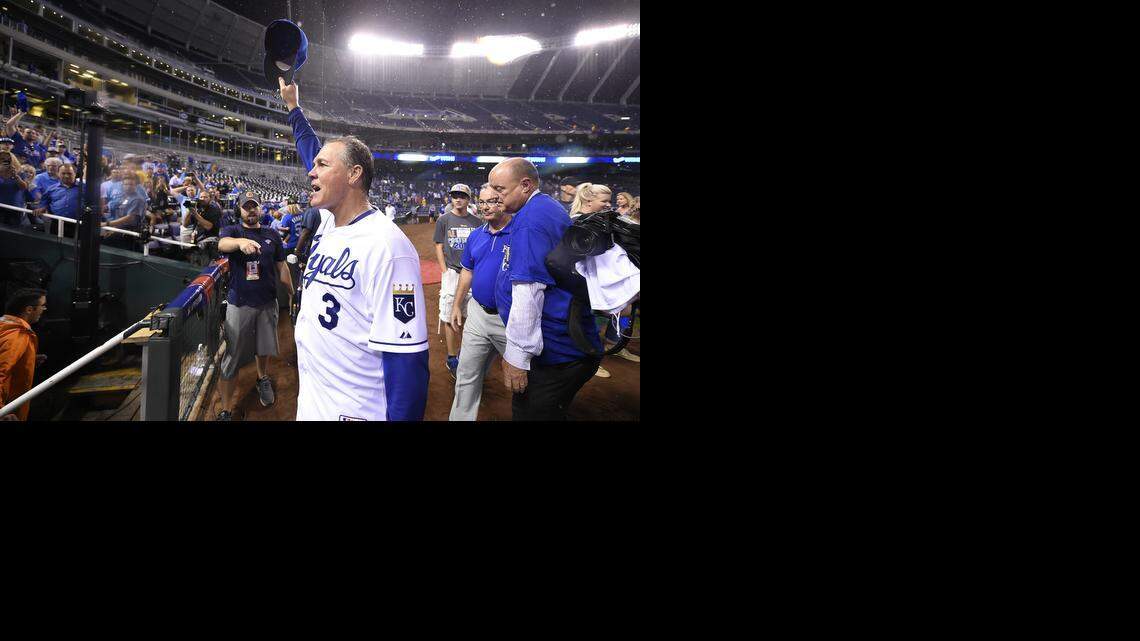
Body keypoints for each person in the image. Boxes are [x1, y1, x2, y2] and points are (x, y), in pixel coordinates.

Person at [280, 75, 428, 421]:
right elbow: (308, 149)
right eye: (313, 165)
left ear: (353, 175)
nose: (310, 172)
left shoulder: (388, 246)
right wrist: (293, 108)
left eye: (322, 165)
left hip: (357, 412)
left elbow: (407, 363)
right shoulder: (332, 221)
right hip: (316, 404)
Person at [488, 158, 601, 421]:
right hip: (567, 342)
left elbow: (529, 292)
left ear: (525, 185)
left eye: (500, 189)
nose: (494, 196)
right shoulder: (543, 206)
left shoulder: (531, 221)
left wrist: (517, 357)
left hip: (557, 351)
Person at [213, 194, 294, 420]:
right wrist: (240, 243)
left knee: (264, 347)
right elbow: (222, 244)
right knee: (233, 357)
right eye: (246, 207)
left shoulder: (271, 234)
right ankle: (226, 410)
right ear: (240, 210)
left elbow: (282, 266)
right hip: (240, 303)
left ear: (260, 209)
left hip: (268, 302)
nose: (250, 211)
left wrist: (292, 293)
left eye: (254, 207)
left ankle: (262, 378)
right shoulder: (233, 231)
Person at [447, 185, 513, 420]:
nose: (485, 206)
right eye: (482, 202)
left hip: (511, 321)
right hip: (477, 314)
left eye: (492, 201)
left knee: (524, 379)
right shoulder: (477, 234)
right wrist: (456, 305)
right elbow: (467, 272)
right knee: (466, 374)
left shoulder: (519, 233)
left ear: (504, 201)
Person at [433, 183, 480, 380]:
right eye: (455, 196)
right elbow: (439, 245)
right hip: (452, 272)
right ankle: (452, 357)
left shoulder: (477, 222)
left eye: (462, 196)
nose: (458, 199)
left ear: (468, 199)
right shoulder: (444, 219)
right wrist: (444, 271)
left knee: (470, 316)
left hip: (472, 273)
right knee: (448, 314)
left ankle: (465, 353)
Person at [0, 288, 47, 421]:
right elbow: (1, 371)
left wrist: (28, 360)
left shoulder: (4, 326)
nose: (44, 309)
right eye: (42, 306)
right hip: (9, 407)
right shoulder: (17, 336)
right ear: (29, 310)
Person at [35, 163, 82, 237]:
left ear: (75, 174)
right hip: (56, 223)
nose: (66, 176)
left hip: (78, 225)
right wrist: (42, 207)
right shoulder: (51, 189)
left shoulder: (85, 189)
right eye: (63, 173)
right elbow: (44, 201)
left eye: (69, 173)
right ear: (58, 174)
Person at [0, 150, 29, 227]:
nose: (5, 161)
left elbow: (24, 187)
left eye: (8, 159)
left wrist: (16, 177)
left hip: (14, 207)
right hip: (1, 205)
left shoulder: (20, 173)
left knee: (13, 233)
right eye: (2, 159)